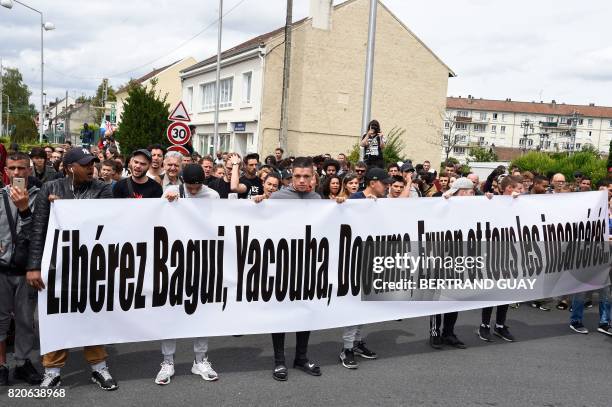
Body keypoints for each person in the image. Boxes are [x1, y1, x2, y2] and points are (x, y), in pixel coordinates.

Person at [26, 147, 118, 390]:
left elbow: (106, 222)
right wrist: (34, 266)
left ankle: (99, 368)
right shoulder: (51, 188)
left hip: (91, 266)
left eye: (93, 164)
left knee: (94, 316)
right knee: (56, 317)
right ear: (69, 168)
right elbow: (39, 229)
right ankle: (52, 371)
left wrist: (66, 209)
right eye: (85, 164)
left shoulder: (102, 189)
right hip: (57, 266)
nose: (91, 168)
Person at [154, 165, 220, 385]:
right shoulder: (172, 191)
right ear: (182, 181)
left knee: (201, 311)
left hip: (202, 260)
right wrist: (167, 202)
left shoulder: (213, 196)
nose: (192, 191)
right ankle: (167, 361)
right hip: (173, 261)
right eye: (189, 187)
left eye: (196, 187)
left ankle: (200, 359)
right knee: (169, 311)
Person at [261, 157, 321, 381]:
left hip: (307, 267)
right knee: (281, 313)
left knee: (305, 311)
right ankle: (279, 361)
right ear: (291, 176)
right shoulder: (277, 198)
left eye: (307, 176)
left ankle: (301, 357)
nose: (302, 180)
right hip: (282, 266)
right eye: (298, 176)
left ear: (313, 177)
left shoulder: (317, 199)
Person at [338, 168, 390, 369]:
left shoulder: (382, 203)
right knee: (354, 304)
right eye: (384, 183)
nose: (386, 187)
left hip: (372, 258)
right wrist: (342, 204)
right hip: (354, 259)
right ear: (373, 182)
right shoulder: (355, 199)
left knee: (365, 304)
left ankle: (357, 342)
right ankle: (347, 347)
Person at [0, 152, 42, 386]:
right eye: (12, 168)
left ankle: (23, 362)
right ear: (6, 170)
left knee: (26, 319)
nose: (17, 173)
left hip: (27, 269)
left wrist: (24, 208)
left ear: (29, 171)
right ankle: (1, 364)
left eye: (22, 168)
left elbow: (38, 233)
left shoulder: (40, 196)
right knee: (1, 319)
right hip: (2, 268)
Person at [429, 178, 476, 351]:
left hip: (460, 258)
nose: (473, 195)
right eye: (469, 192)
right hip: (441, 257)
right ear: (461, 192)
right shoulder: (443, 203)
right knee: (437, 296)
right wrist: (445, 197)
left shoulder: (472, 208)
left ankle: (448, 332)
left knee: (454, 296)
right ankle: (434, 332)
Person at [477, 176, 520, 344]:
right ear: (506, 188)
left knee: (505, 292)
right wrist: (486, 201)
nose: (519, 191)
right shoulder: (492, 200)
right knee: (490, 291)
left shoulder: (521, 204)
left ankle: (500, 325)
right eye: (516, 188)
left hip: (511, 253)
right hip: (492, 253)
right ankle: (484, 325)